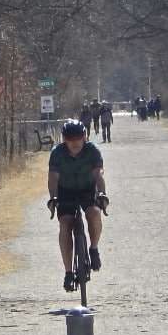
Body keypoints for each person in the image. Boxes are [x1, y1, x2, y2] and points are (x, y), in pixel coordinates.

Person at [47, 120, 109, 292]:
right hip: (65, 191)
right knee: (65, 223)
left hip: (88, 189)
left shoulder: (92, 151)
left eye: (78, 138)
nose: (74, 142)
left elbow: (99, 174)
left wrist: (102, 192)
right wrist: (53, 197)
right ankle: (68, 272)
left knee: (94, 213)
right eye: (69, 138)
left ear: (85, 137)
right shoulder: (57, 153)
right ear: (64, 139)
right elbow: (53, 177)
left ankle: (94, 248)